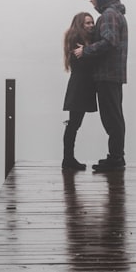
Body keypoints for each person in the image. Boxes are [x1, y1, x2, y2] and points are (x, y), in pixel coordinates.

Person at [73, 0, 128, 173]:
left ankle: (116, 158)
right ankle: (116, 157)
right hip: (111, 75)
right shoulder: (113, 14)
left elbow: (109, 41)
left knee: (112, 118)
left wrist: (85, 50)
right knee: (114, 117)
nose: (90, 0)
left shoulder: (109, 15)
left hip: (108, 75)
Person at [61, 12, 96, 171]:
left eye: (92, 23)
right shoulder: (76, 40)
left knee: (74, 123)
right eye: (87, 23)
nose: (90, 26)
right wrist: (89, 50)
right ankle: (68, 159)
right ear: (80, 24)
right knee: (74, 124)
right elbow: (84, 63)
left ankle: (68, 159)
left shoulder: (84, 40)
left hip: (82, 86)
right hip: (79, 86)